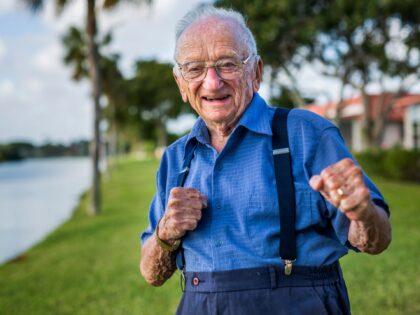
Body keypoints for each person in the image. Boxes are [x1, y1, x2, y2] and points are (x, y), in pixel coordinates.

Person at [140, 5, 392, 315]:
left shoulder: (307, 133)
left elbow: (377, 239)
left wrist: (363, 212)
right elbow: (151, 274)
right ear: (181, 83)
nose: (212, 81)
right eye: (194, 68)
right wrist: (165, 233)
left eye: (227, 64)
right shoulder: (177, 158)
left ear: (256, 72)